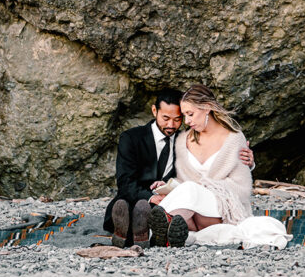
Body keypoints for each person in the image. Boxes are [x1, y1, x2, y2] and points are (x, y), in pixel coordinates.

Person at [104, 86, 254, 247]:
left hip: (199, 204)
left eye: (178, 119)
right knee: (140, 207)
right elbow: (125, 182)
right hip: (150, 201)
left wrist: (249, 163)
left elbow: (236, 181)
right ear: (154, 111)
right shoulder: (138, 138)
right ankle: (138, 231)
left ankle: (148, 229)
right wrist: (158, 193)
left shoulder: (192, 140)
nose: (173, 124)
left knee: (185, 193)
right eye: (166, 118)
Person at [148, 83, 253, 248]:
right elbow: (182, 181)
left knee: (191, 189)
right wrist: (169, 188)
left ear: (207, 108)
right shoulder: (182, 140)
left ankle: (162, 224)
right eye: (184, 115)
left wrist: (204, 187)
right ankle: (167, 229)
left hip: (220, 213)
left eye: (190, 114)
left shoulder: (234, 139)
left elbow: (244, 189)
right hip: (190, 216)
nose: (187, 121)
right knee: (187, 189)